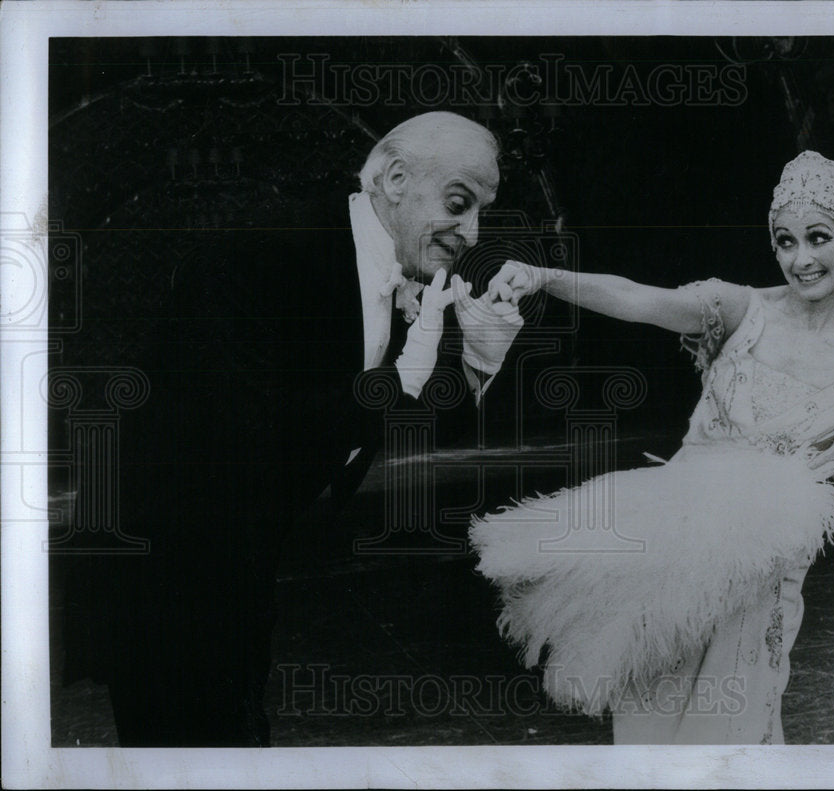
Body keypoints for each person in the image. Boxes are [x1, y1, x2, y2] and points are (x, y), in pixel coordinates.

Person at [64, 111, 523, 746]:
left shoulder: (379, 266)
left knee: (233, 740)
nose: (473, 232)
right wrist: (409, 371)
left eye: (481, 211)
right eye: (458, 203)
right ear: (394, 179)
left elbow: (381, 419)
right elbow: (253, 430)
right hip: (161, 580)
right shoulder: (259, 258)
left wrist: (477, 362)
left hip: (235, 567)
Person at [470, 150, 834, 744]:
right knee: (650, 726)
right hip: (671, 552)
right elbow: (635, 298)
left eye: (818, 237)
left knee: (730, 736)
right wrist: (544, 277)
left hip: (760, 581)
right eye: (785, 241)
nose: (800, 259)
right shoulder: (741, 310)